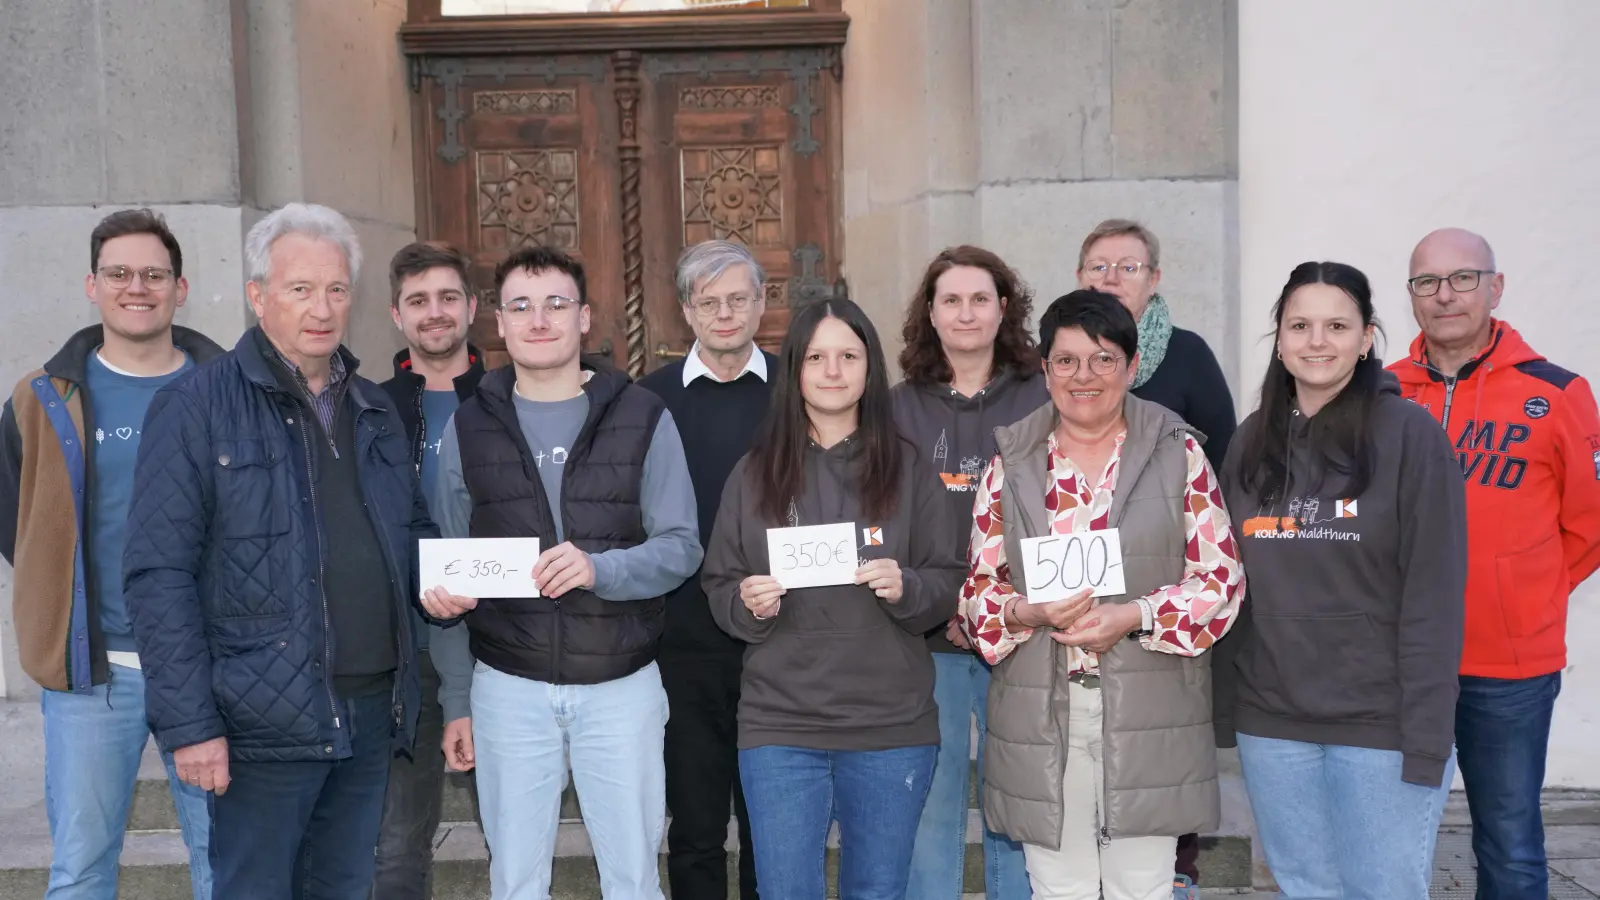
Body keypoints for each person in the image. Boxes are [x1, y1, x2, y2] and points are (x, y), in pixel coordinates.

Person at [124, 203, 436, 899]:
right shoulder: (196, 407)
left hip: (367, 709)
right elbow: (158, 575)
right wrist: (190, 725)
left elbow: (409, 533)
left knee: (345, 889)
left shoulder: (374, 409)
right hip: (259, 724)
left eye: (335, 289)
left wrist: (441, 579)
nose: (321, 308)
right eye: (299, 289)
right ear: (258, 295)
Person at [420, 245, 703, 900]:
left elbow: (682, 546)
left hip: (620, 683)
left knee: (633, 881)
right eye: (521, 305)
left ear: (585, 319)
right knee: (516, 883)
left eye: (556, 304)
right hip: (508, 688)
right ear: (498, 322)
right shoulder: (468, 428)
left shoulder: (641, 416)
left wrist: (598, 569)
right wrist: (455, 698)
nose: (538, 319)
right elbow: (450, 557)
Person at [959, 289, 1244, 900]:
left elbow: (1221, 584)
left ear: (1132, 366)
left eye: (1103, 359)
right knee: (1058, 890)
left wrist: (1135, 616)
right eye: (1066, 361)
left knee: (1141, 888)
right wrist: (1023, 611)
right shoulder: (1010, 464)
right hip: (1043, 711)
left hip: (1150, 710)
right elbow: (978, 592)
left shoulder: (1180, 453)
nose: (1083, 377)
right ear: (1045, 370)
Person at [703, 297, 963, 900]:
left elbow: (949, 577)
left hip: (889, 726)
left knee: (877, 890)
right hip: (780, 726)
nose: (833, 370)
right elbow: (719, 582)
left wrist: (911, 587)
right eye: (816, 357)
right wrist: (748, 603)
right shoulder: (753, 474)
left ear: (870, 368)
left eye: (849, 355)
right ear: (794, 370)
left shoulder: (909, 468)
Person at [1222, 261, 1466, 899]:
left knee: (1382, 890)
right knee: (1305, 888)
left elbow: (1434, 601)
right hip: (1272, 725)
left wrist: (1426, 740)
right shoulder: (1250, 445)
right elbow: (1228, 585)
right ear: (1279, 339)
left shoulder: (1413, 438)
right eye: (1300, 325)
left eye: (1337, 325)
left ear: (1366, 338)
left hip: (1380, 728)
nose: (1317, 341)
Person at [0, 209, 221, 900]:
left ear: (180, 288)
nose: (137, 287)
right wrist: (57, 593)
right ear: (91, 286)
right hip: (94, 677)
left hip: (210, 668)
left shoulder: (226, 390)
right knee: (81, 870)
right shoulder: (43, 397)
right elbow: (19, 518)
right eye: (119, 273)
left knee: (228, 864)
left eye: (154, 274)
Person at [1389, 229, 1600, 900]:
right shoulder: (1381, 394)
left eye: (1463, 278)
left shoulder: (1559, 393)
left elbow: (1589, 522)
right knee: (1388, 843)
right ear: (1412, 296)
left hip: (1509, 668)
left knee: (1508, 842)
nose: (1444, 294)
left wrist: (1523, 589)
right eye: (1427, 282)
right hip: (1398, 662)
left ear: (1496, 287)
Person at [892, 245, 1043, 900]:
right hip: (927, 639)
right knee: (933, 799)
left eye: (980, 298)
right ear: (930, 312)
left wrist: (999, 605)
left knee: (1017, 801)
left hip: (1022, 635)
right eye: (950, 299)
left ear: (1003, 308)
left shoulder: (1044, 396)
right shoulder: (895, 407)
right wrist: (946, 605)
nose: (966, 312)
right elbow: (883, 513)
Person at [638, 240, 775, 900]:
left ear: (762, 304)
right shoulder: (647, 400)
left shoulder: (798, 389)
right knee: (693, 824)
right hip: (682, 643)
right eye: (709, 302)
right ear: (686, 311)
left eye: (738, 299)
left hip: (780, 639)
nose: (726, 314)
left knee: (769, 823)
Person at [373, 240, 487, 900]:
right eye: (419, 301)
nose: (435, 313)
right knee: (396, 847)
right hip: (402, 656)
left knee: (513, 832)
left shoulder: (509, 398)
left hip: (501, 649)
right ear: (396, 314)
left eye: (448, 298)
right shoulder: (368, 407)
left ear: (472, 308)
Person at [1076, 219, 1235, 476]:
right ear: (1080, 278)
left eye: (1128, 268)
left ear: (1153, 280)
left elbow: (1223, 459)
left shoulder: (1189, 354)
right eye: (1098, 267)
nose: (1111, 279)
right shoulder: (1055, 357)